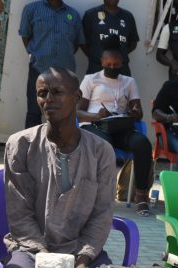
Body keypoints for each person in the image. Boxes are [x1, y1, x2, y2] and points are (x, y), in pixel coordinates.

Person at [3, 66, 115, 268]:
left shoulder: (101, 151)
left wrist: (82, 261)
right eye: (42, 93)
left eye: (57, 92)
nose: (48, 99)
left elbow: (102, 214)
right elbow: (20, 214)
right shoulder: (20, 145)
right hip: (31, 250)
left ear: (77, 97)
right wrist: (47, 261)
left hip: (82, 252)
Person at [76, 47, 154, 216]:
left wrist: (134, 111)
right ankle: (100, 196)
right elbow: (78, 112)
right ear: (102, 63)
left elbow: (139, 112)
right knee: (104, 145)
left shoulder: (129, 82)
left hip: (120, 126)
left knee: (142, 144)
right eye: (108, 64)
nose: (112, 67)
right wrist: (96, 116)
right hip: (95, 125)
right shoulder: (91, 79)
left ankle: (141, 196)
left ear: (122, 64)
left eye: (116, 65)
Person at [19, 0, 85, 128]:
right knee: (34, 111)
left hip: (65, 75)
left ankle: (59, 141)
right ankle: (31, 140)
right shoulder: (31, 9)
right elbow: (25, 35)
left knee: (63, 112)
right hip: (39, 68)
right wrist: (35, 54)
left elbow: (77, 42)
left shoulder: (73, 15)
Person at [82, 0, 139, 76]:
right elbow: (82, 42)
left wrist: (119, 57)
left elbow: (133, 43)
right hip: (97, 68)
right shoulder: (91, 15)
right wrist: (96, 57)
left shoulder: (128, 16)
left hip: (122, 69)